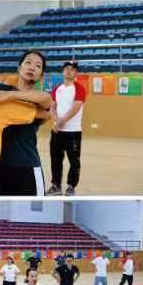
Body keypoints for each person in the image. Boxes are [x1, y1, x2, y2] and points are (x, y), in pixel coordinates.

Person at [0, 50, 51, 196]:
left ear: (41, 76)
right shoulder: (4, 90)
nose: (32, 67)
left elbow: (46, 100)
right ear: (19, 68)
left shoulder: (37, 98)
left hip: (28, 167)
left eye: (38, 66)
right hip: (0, 168)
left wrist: (11, 95)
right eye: (28, 62)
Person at [47, 61, 86, 196]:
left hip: (73, 132)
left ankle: (71, 186)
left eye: (72, 69)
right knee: (56, 159)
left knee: (74, 161)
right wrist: (56, 121)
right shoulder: (57, 88)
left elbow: (76, 107)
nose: (69, 71)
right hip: (57, 131)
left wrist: (62, 121)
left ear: (76, 73)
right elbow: (52, 107)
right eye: (66, 68)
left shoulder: (79, 88)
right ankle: (56, 186)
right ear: (63, 71)